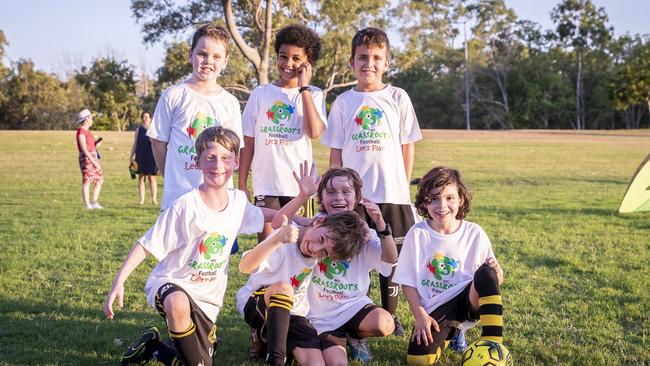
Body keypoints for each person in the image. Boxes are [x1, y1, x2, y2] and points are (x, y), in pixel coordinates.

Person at [103, 127, 268, 366]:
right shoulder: (185, 206)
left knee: (195, 360)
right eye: (210, 157)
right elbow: (147, 243)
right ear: (197, 162)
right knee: (178, 305)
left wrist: (303, 211)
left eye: (224, 158)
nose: (217, 165)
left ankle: (154, 347)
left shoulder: (237, 202)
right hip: (172, 282)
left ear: (236, 162)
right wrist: (119, 281)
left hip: (207, 300)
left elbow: (266, 215)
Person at [320, 27, 423, 336]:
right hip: (353, 197)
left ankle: (390, 314)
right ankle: (354, 313)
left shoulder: (397, 97)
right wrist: (332, 194)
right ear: (352, 62)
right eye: (363, 57)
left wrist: (403, 187)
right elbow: (335, 154)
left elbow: (407, 145)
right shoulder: (343, 102)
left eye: (377, 57)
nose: (370, 63)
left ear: (387, 62)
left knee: (391, 258)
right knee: (353, 252)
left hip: (392, 192)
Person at [270, 165, 397, 365]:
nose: (338, 197)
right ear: (321, 198)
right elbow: (279, 223)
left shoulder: (363, 233)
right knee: (338, 363)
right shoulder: (316, 224)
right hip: (316, 313)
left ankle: (354, 336)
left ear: (357, 198)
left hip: (350, 306)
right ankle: (323, 340)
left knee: (385, 322)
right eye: (331, 192)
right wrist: (302, 196)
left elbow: (390, 259)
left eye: (346, 192)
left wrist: (381, 225)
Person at [392, 166, 505, 365]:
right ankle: (453, 332)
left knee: (486, 272)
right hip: (436, 309)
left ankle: (493, 345)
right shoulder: (418, 234)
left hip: (468, 300)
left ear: (461, 199)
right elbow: (407, 282)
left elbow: (493, 281)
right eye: (433, 198)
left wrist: (497, 273)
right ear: (424, 203)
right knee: (417, 360)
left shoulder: (474, 233)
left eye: (449, 198)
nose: (442, 205)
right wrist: (420, 316)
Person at [237, 210, 370, 366]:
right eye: (321, 239)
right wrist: (276, 241)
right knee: (285, 289)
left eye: (325, 252)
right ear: (318, 223)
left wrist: (364, 228)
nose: (316, 249)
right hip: (260, 302)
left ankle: (268, 340)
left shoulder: (317, 248)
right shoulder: (285, 237)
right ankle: (275, 360)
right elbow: (244, 267)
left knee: (316, 364)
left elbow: (354, 225)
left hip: (295, 313)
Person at [238, 24, 327, 242]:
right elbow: (247, 143)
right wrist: (241, 185)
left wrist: (303, 88)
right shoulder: (261, 93)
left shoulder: (314, 94)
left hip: (301, 189)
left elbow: (314, 132)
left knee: (299, 248)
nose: (288, 64)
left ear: (308, 62)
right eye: (283, 56)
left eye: (296, 59)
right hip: (266, 185)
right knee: (268, 251)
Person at [146, 24, 243, 211]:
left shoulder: (229, 102)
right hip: (179, 200)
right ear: (191, 55)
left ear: (225, 61)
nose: (208, 61)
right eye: (202, 54)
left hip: (218, 202)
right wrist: (174, 177)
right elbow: (158, 143)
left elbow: (232, 152)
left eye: (216, 57)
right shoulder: (173, 95)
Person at [75, 108, 104, 209]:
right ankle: (87, 204)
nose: (92, 119)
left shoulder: (87, 131)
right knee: (87, 180)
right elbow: (84, 149)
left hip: (92, 156)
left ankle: (94, 202)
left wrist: (96, 144)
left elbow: (90, 145)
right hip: (86, 158)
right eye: (91, 118)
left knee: (99, 179)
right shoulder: (81, 131)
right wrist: (94, 162)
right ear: (86, 119)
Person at [129, 111, 159, 205]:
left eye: (147, 117)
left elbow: (157, 144)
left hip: (151, 156)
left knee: (152, 178)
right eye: (143, 117)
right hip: (140, 156)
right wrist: (131, 156)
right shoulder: (138, 130)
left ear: (150, 118)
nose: (145, 118)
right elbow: (135, 144)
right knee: (141, 178)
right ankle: (141, 200)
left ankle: (154, 199)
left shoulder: (154, 129)